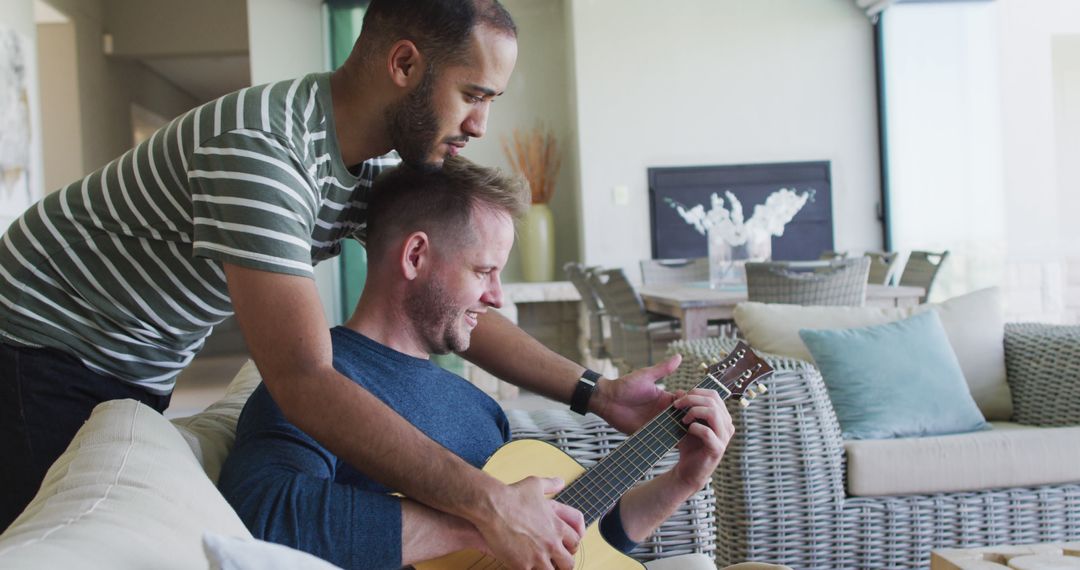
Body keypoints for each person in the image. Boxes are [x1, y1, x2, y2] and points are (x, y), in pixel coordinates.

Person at [0, 1, 683, 565]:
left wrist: (599, 393)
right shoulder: (263, 152)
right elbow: (303, 379)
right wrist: (489, 503)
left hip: (137, 357)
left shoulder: (357, 171)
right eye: (473, 95)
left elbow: (449, 296)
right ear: (405, 64)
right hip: (38, 339)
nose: (480, 124)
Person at [217, 156, 735, 569]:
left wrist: (683, 480)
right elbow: (262, 514)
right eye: (484, 271)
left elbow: (572, 545)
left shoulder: (474, 405)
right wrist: (483, 521)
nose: (496, 297)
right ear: (415, 257)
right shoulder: (320, 389)